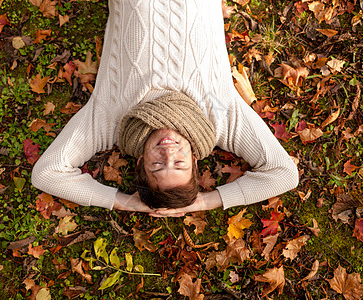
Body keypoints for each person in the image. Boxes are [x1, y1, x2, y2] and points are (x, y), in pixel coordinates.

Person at [31, 0, 299, 217]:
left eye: (157, 165)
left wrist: (124, 202)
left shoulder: (112, 119)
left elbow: (47, 173)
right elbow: (283, 174)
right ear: (195, 159)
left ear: (140, 162)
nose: (168, 152)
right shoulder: (220, 114)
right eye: (179, 163)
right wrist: (207, 202)